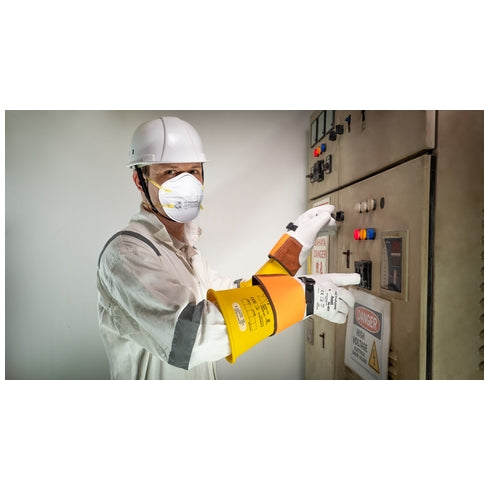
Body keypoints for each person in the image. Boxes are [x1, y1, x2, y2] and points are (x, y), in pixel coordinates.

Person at [96, 116, 360, 379]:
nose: (186, 183)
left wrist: (293, 247)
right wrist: (303, 298)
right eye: (171, 172)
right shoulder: (127, 253)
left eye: (194, 171)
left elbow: (242, 302)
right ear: (139, 180)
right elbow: (191, 337)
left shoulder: (188, 254)